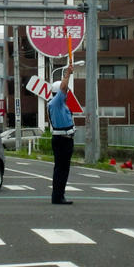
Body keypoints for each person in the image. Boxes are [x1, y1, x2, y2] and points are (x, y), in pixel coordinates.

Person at [47, 63, 75, 205]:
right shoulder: (55, 103)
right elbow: (63, 88)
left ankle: (59, 195)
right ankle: (57, 196)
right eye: (65, 91)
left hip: (66, 139)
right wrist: (68, 73)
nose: (67, 92)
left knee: (63, 169)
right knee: (61, 169)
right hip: (62, 139)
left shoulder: (61, 104)